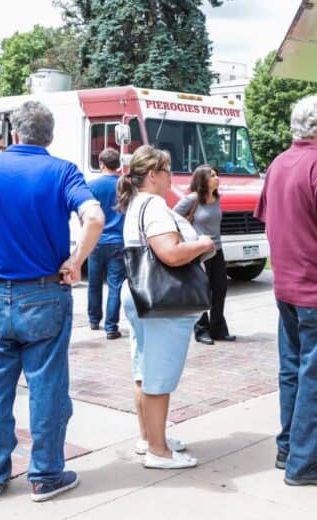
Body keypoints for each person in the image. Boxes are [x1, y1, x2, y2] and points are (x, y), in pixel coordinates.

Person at [0, 101, 104, 502]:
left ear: (14, 133)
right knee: (47, 388)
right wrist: (76, 261)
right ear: (48, 136)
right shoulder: (63, 171)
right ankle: (45, 474)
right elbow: (94, 217)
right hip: (44, 292)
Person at [254, 94, 317, 487]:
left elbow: (270, 221)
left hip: (287, 287)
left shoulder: (279, 164)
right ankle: (306, 464)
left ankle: (289, 448)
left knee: (293, 371)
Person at [118, 145, 215, 470]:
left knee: (144, 370)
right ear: (153, 175)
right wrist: (202, 244)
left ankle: (149, 437)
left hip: (138, 293)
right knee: (159, 373)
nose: (172, 176)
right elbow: (170, 253)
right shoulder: (155, 205)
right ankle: (158, 451)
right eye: (168, 170)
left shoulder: (135, 204)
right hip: (163, 301)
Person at [174, 164, 235, 345]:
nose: (217, 178)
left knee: (220, 290)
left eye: (217, 175)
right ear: (203, 180)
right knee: (202, 290)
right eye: (213, 176)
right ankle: (201, 330)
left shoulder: (216, 198)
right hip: (199, 252)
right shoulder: (192, 199)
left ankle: (218, 329)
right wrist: (188, 235)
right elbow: (172, 216)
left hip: (217, 250)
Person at [86, 147, 126, 340]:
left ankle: (94, 320)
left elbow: (85, 214)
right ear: (118, 164)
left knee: (94, 283)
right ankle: (111, 327)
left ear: (101, 164)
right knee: (115, 285)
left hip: (96, 241)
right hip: (119, 241)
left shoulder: (92, 185)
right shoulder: (124, 185)